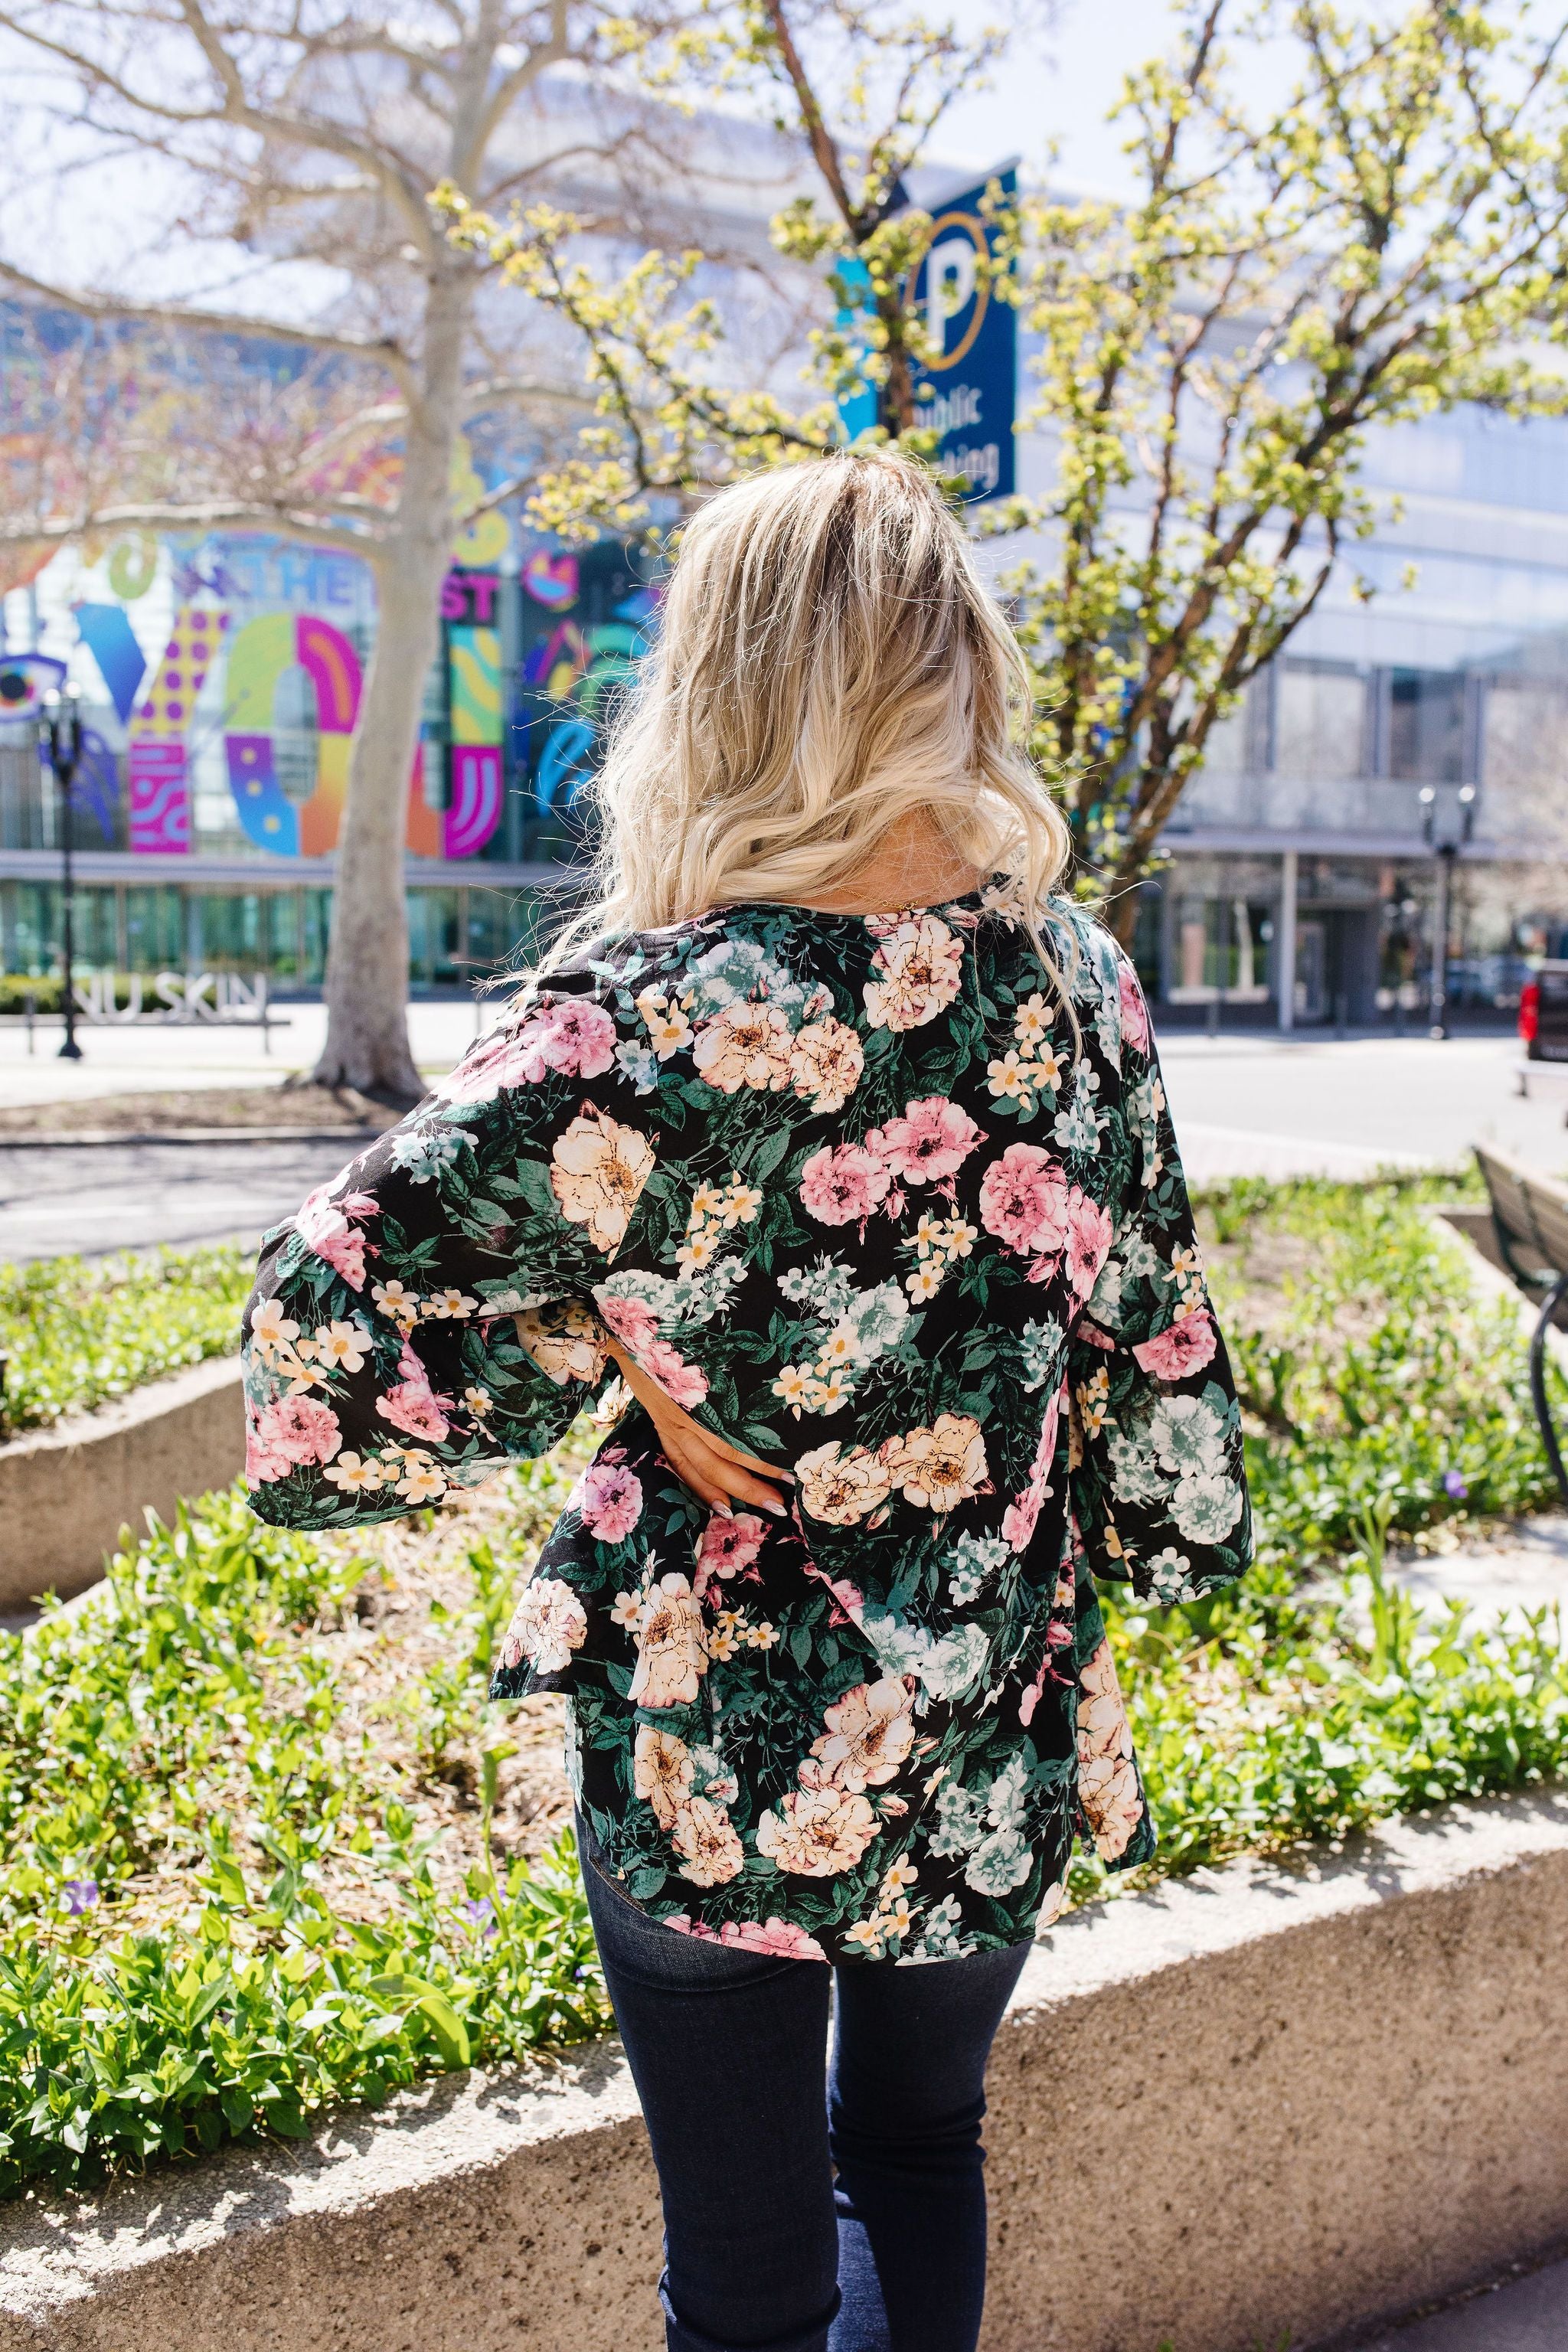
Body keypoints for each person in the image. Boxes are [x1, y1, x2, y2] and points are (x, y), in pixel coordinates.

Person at [242, 449, 1252, 2352]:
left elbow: (324, 1325)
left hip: (714, 1725)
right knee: (919, 2153)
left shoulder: (631, 1015)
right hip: (981, 1707)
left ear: (718, 679)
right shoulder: (1082, 983)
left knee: (747, 2278)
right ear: (956, 666)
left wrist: (597, 1340)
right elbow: (1156, 1341)